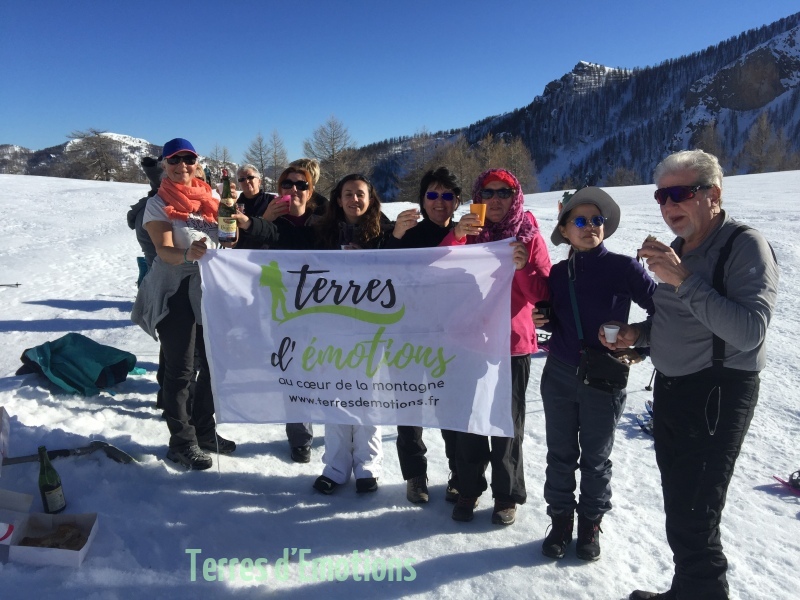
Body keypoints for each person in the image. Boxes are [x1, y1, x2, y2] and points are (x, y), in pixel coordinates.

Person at [601, 150, 779, 600]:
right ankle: (686, 591)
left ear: (713, 194)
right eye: (661, 196)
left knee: (696, 516)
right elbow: (675, 321)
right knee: (681, 506)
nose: (668, 205)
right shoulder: (679, 250)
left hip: (717, 392)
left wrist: (682, 279)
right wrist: (637, 335)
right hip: (674, 390)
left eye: (679, 193)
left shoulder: (744, 245)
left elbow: (749, 332)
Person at [534, 187, 656, 561]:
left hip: (604, 377)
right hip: (559, 373)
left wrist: (639, 344)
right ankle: (560, 521)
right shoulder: (558, 274)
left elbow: (665, 311)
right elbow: (560, 322)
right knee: (560, 454)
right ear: (565, 230)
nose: (591, 226)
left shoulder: (624, 267)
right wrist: (546, 320)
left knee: (596, 459)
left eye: (597, 220)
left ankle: (590, 523)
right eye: (581, 220)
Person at [440, 168, 551, 525]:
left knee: (507, 424)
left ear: (516, 196)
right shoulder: (469, 232)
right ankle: (468, 488)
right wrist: (456, 236)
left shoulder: (528, 235)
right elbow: (437, 272)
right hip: (469, 339)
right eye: (488, 193)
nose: (496, 199)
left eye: (504, 192)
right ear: (478, 197)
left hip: (511, 342)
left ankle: (507, 494)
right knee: (468, 420)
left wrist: (522, 267)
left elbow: (543, 292)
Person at [131, 138, 237, 470]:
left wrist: (233, 230)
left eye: (188, 159)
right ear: (164, 164)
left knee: (214, 364)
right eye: (174, 160)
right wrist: (188, 253)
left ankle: (204, 430)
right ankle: (182, 442)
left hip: (210, 288)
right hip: (175, 288)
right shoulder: (158, 203)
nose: (182, 166)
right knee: (181, 369)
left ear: (196, 163)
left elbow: (227, 238)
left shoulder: (212, 197)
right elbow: (164, 250)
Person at [384, 166, 462, 504]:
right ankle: (415, 475)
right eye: (432, 194)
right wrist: (395, 237)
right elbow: (378, 274)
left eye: (447, 195)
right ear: (422, 200)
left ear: (457, 201)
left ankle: (459, 473)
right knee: (409, 406)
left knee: (451, 407)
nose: (439, 201)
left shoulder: (467, 236)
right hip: (406, 334)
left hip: (452, 336)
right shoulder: (407, 233)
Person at [236, 166, 319, 463]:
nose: (294, 189)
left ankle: (344, 434)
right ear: (278, 189)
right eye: (287, 184)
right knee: (295, 371)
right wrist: (260, 220)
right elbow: (241, 251)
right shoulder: (272, 221)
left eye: (301, 185)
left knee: (333, 370)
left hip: (326, 307)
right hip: (283, 309)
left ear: (310, 191)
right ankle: (300, 437)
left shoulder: (322, 221)